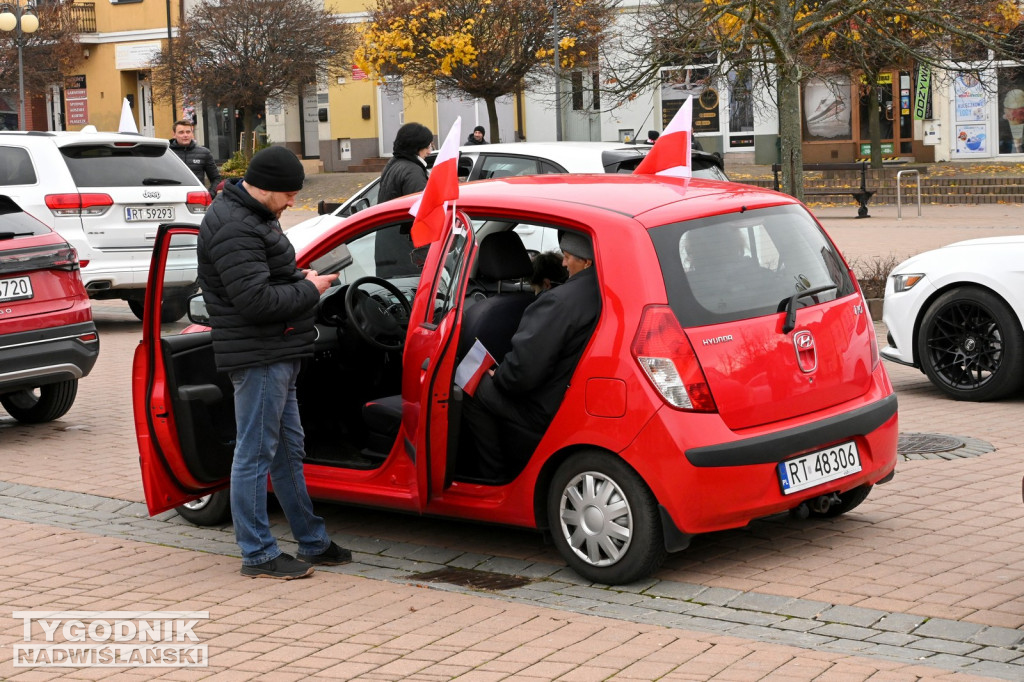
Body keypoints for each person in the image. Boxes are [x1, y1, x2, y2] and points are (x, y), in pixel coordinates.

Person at [197, 146, 350, 579]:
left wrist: (296, 278)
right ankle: (258, 553)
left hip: (275, 349)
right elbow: (255, 301)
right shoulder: (233, 226)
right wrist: (312, 289)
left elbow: (261, 279)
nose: (291, 204)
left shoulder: (254, 217)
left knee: (287, 450)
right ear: (263, 188)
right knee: (255, 453)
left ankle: (312, 541)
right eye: (287, 195)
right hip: (260, 353)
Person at [462, 232, 601, 480]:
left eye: (568, 257)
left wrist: (498, 376)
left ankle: (492, 475)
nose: (563, 263)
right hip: (576, 397)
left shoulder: (557, 302)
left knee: (471, 384)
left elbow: (522, 374)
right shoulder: (602, 290)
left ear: (587, 262)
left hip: (546, 407)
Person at [376, 122, 434, 276]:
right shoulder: (412, 172)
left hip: (391, 248)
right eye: (427, 146)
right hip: (408, 254)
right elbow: (422, 214)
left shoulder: (395, 164)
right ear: (416, 147)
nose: (430, 151)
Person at [169, 119, 222, 196]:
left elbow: (216, 178)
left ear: (192, 134)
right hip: (173, 198)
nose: (185, 135)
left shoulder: (204, 153)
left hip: (197, 199)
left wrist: (210, 195)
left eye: (188, 132)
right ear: (174, 135)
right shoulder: (167, 152)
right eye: (181, 132)